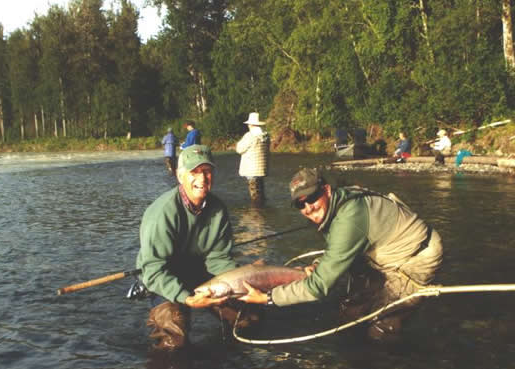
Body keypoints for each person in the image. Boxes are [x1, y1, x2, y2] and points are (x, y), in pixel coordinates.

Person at [239, 168, 443, 342]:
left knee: (381, 328)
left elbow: (318, 288)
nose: (308, 208)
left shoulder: (348, 219)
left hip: (416, 258)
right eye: (300, 205)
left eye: (312, 198)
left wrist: (267, 298)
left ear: (326, 190)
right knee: (350, 312)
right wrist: (320, 265)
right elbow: (342, 246)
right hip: (383, 256)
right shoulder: (338, 203)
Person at [136, 144, 254, 350]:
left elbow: (219, 259)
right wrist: (186, 298)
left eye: (207, 171)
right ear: (180, 176)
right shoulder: (163, 214)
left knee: (248, 317)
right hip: (164, 279)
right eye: (194, 172)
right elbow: (153, 270)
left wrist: (241, 281)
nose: (202, 179)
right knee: (174, 341)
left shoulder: (217, 209)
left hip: (202, 276)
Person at [236, 112, 270, 204]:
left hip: (251, 170)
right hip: (261, 170)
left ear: (251, 124)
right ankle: (263, 213)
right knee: (261, 195)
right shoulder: (266, 136)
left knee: (255, 197)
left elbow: (239, 149)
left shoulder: (249, 136)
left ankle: (255, 215)